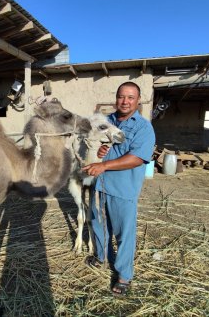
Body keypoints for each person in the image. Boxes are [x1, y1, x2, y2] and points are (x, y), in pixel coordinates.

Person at [81, 81, 155, 296]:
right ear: (116, 98)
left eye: (130, 97)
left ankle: (123, 274)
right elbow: (103, 143)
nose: (125, 101)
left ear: (138, 100)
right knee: (99, 224)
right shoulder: (108, 121)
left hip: (123, 189)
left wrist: (103, 165)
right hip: (101, 185)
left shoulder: (143, 127)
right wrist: (102, 149)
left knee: (124, 233)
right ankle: (101, 256)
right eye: (122, 96)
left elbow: (137, 158)